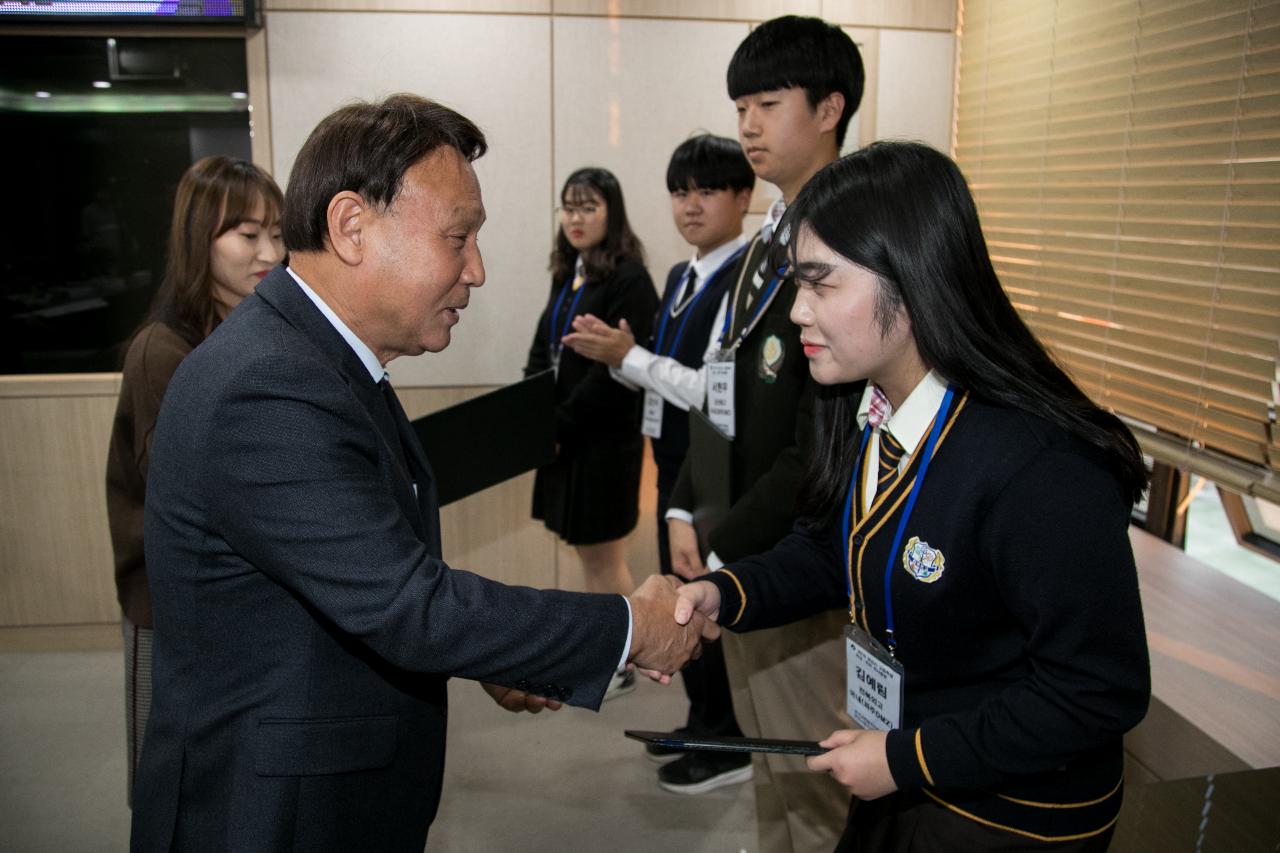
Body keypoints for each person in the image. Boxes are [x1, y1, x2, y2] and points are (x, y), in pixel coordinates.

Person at [130, 94, 711, 853]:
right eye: (457, 237)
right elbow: (408, 603)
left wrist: (497, 652)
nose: (476, 268)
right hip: (267, 813)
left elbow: (364, 577)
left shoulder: (319, 358)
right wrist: (631, 626)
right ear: (350, 226)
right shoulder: (265, 384)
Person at [673, 141, 1152, 851]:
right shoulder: (865, 403)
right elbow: (835, 545)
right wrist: (726, 592)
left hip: (1008, 813)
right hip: (909, 768)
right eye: (795, 284)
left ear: (914, 276)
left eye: (821, 284)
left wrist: (908, 757)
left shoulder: (1038, 466)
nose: (798, 311)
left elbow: (1095, 689)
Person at [667, 16, 864, 848]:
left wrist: (729, 547)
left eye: (768, 102)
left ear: (829, 108)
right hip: (743, 545)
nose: (746, 124)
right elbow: (721, 392)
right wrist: (686, 507)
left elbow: (825, 442)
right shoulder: (761, 249)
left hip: (799, 558)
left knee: (817, 781)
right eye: (740, 104)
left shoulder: (856, 236)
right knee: (773, 774)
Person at [562, 133, 756, 793]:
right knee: (682, 602)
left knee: (710, 604)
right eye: (680, 191)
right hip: (673, 464)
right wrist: (619, 363)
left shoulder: (747, 279)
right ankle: (703, 720)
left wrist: (629, 358)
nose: (690, 205)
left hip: (719, 473)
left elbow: (714, 389)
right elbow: (657, 376)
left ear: (744, 196)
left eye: (707, 190)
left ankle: (729, 741)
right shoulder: (681, 276)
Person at [104, 155, 285, 806]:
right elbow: (188, 497)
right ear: (197, 239)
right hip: (168, 609)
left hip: (237, 603)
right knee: (166, 784)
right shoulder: (162, 350)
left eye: (277, 231)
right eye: (246, 233)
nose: (269, 250)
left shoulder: (256, 331)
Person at [524, 167, 659, 699]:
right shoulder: (569, 272)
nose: (576, 218)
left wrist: (557, 424)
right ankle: (613, 653)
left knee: (604, 555)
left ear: (613, 212)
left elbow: (619, 373)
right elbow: (544, 346)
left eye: (589, 207)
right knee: (588, 553)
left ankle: (623, 660)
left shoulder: (629, 278)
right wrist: (534, 409)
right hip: (564, 436)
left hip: (603, 439)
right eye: (569, 207)